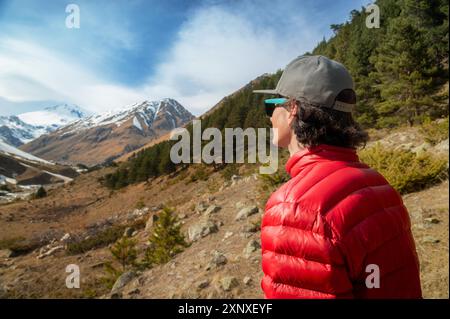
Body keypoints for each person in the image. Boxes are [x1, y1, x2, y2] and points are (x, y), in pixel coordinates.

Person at [253, 55, 422, 298]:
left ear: (292, 109)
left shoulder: (295, 207)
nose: (269, 116)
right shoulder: (378, 183)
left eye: (271, 106)